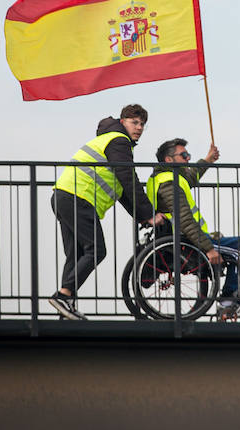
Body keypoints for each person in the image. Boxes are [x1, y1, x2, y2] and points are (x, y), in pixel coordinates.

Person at [47, 104, 164, 320]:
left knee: (76, 255)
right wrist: (149, 213)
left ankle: (66, 306)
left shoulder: (110, 141)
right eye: (134, 122)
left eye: (142, 124)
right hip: (78, 197)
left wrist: (143, 216)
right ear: (123, 122)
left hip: (64, 195)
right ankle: (63, 295)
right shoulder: (119, 141)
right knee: (96, 250)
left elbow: (123, 192)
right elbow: (128, 179)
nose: (139, 127)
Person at [149, 137, 240, 321]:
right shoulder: (169, 182)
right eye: (184, 155)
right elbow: (184, 220)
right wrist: (208, 248)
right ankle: (229, 302)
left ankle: (230, 299)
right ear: (169, 160)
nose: (188, 158)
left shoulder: (171, 177)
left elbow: (191, 176)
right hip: (189, 241)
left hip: (188, 238)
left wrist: (208, 159)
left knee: (234, 246)